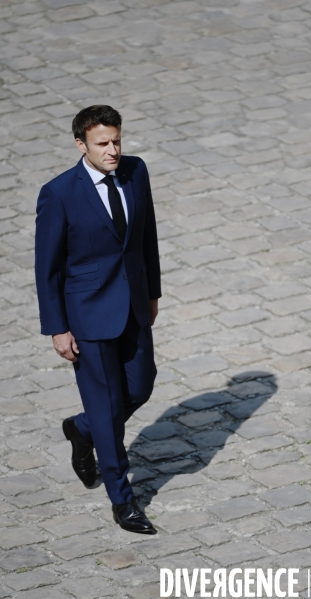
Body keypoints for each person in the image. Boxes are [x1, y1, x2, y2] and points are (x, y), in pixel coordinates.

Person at [35, 105, 161, 534]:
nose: (113, 151)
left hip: (134, 304)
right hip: (86, 316)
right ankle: (122, 500)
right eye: (103, 144)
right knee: (108, 405)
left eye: (117, 141)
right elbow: (47, 267)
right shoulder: (59, 193)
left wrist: (153, 292)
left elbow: (147, 236)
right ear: (80, 145)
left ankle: (82, 427)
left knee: (141, 385)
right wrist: (57, 327)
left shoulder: (135, 171)